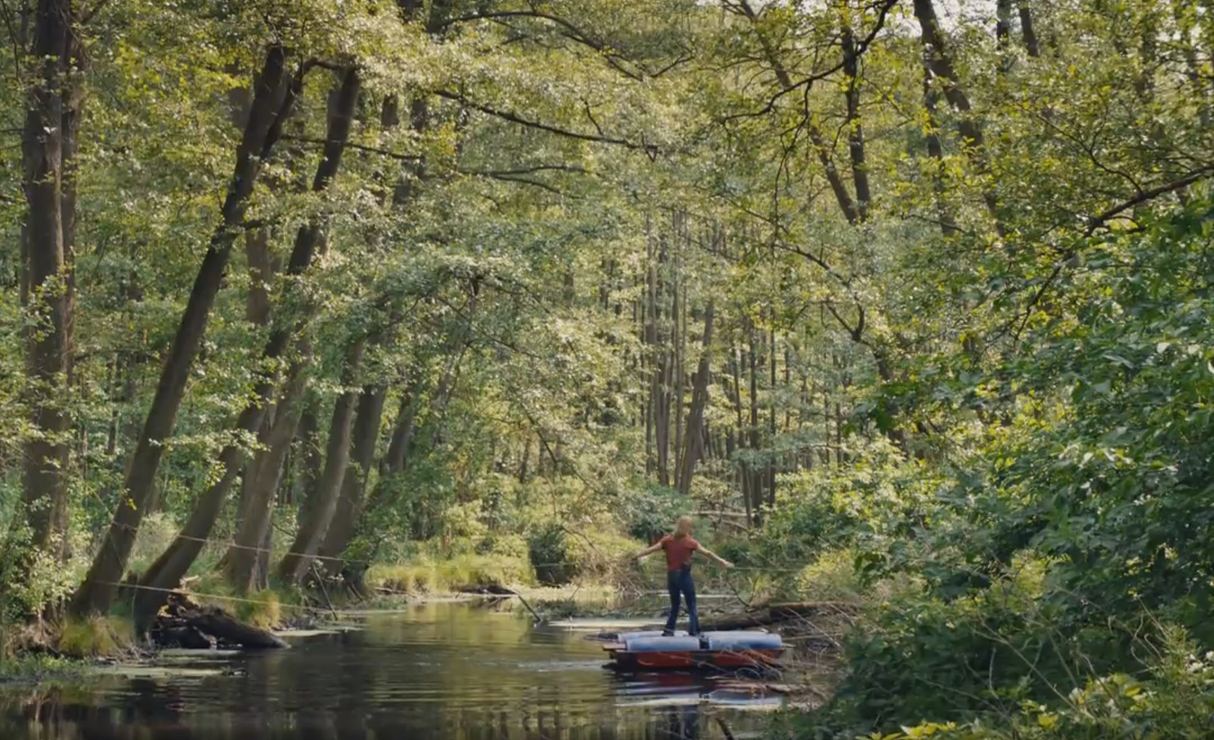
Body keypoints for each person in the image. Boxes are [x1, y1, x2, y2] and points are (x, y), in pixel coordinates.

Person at [632, 515, 732, 636]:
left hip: (672, 576)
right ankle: (694, 631)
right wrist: (722, 561)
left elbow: (651, 549)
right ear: (688, 527)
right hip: (684, 576)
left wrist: (637, 555)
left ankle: (669, 630)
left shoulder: (668, 540)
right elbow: (708, 553)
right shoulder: (690, 542)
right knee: (691, 605)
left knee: (675, 605)